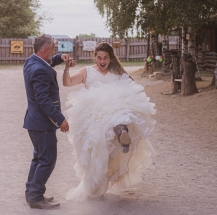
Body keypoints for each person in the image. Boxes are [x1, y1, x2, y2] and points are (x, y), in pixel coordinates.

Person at [62, 42, 156, 202]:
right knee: (98, 148)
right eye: (99, 58)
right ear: (95, 58)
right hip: (94, 116)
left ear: (110, 58)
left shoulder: (117, 72)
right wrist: (66, 68)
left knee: (120, 114)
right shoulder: (88, 72)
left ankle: (121, 130)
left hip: (114, 113)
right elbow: (68, 82)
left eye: (105, 57)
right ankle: (96, 184)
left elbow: (131, 88)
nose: (102, 61)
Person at [23, 34, 76, 209]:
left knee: (39, 158)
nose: (55, 50)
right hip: (42, 123)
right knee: (47, 160)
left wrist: (59, 58)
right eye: (53, 48)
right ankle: (36, 197)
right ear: (46, 49)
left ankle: (32, 193)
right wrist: (61, 120)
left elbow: (46, 63)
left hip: (34, 122)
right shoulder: (40, 70)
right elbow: (43, 100)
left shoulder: (31, 61)